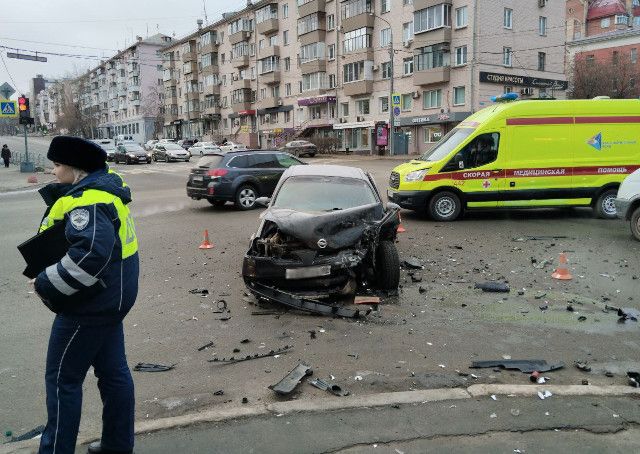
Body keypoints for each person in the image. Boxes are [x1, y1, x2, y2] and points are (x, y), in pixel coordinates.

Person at [32, 136, 139, 454]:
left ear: (75, 168)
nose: (52, 172)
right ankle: (117, 447)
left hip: (90, 306)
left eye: (57, 165)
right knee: (113, 373)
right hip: (112, 298)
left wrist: (46, 282)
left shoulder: (88, 201)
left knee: (62, 379)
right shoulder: (103, 190)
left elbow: (91, 254)